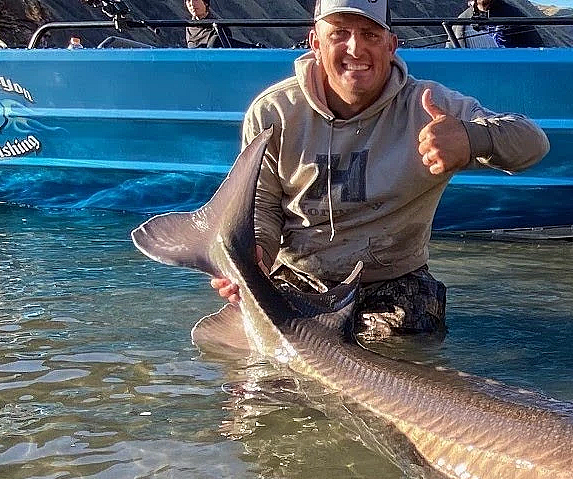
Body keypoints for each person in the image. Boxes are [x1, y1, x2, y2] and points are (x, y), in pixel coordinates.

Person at [211, 0, 549, 338]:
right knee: (264, 375)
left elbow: (534, 143)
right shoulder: (273, 112)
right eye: (339, 33)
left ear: (391, 46)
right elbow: (262, 205)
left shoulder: (429, 107)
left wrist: (472, 139)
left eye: (370, 35)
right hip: (300, 275)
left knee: (405, 356)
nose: (355, 48)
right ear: (315, 43)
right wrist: (256, 254)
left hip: (394, 279)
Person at [458, 0, 545, 49]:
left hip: (510, 74)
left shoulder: (514, 15)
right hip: (474, 75)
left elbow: (537, 49)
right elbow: (451, 51)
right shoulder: (461, 20)